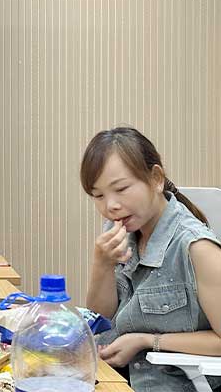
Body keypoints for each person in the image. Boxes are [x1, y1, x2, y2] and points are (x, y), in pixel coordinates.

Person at [82, 126, 221, 391]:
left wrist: (148, 340)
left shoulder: (197, 247)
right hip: (112, 377)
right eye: (98, 195)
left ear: (156, 179)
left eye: (121, 188)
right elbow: (99, 320)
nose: (110, 206)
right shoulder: (121, 231)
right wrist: (102, 265)